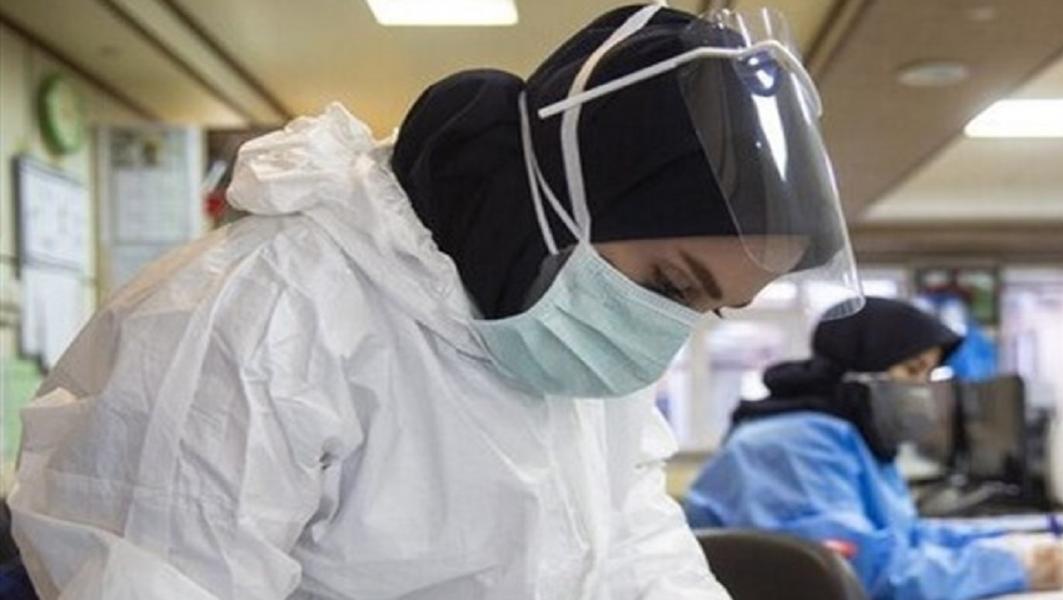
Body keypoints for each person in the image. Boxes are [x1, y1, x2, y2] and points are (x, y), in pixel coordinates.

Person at [9, 4, 862, 599]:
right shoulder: (264, 318)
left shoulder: (563, 329)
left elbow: (629, 543)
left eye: (707, 310)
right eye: (671, 285)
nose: (663, 330)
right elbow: (158, 579)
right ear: (565, 202)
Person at [683, 297, 1063, 600]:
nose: (923, 390)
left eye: (930, 374)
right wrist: (1020, 567)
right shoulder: (789, 445)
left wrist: (1019, 546)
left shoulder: (850, 436)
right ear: (863, 367)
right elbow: (860, 574)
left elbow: (904, 538)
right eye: (913, 370)